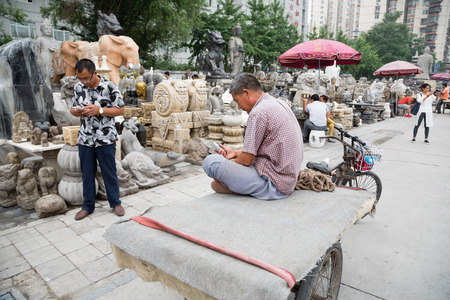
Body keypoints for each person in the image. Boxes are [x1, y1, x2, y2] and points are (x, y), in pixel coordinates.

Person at [202, 73, 303, 200]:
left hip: (273, 183)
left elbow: (246, 160)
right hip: (287, 180)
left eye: (237, 101)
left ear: (246, 93)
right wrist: (236, 153)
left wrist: (230, 162)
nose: (239, 107)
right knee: (216, 184)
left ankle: (242, 186)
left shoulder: (257, 112)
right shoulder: (278, 103)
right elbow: (262, 150)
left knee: (211, 163)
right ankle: (238, 186)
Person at [70, 58, 125, 220]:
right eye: (80, 78)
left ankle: (115, 203)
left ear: (95, 73)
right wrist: (77, 112)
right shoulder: (78, 87)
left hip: (105, 137)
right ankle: (87, 206)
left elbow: (121, 110)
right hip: (85, 138)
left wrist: (99, 110)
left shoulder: (109, 87)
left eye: (86, 78)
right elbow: (72, 109)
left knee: (109, 171)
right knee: (87, 173)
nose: (83, 82)